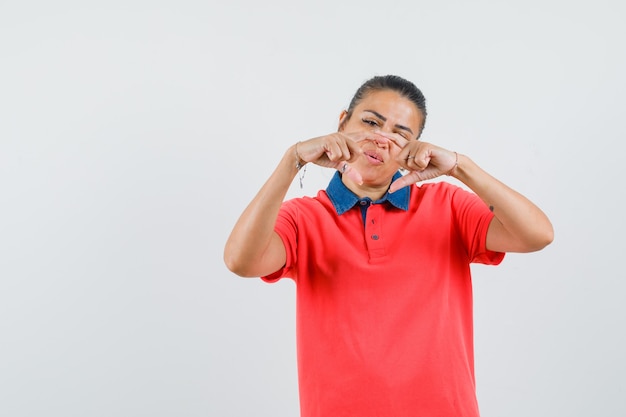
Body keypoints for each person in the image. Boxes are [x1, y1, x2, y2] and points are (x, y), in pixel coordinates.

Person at [223, 75, 553, 417]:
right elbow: (240, 261)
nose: (381, 139)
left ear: (415, 149)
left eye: (400, 134)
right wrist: (292, 159)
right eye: (370, 122)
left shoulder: (448, 206)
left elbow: (537, 234)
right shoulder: (304, 218)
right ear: (341, 123)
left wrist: (460, 166)